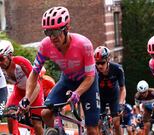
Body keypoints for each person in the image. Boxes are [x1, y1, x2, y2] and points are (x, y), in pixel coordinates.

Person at [23, 6, 100, 134]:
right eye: (48, 33)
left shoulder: (84, 44)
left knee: (92, 128)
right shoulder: (45, 45)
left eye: (56, 31)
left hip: (87, 82)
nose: (53, 37)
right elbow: (35, 72)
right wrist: (26, 98)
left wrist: (78, 93)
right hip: (67, 80)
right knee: (46, 113)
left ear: (67, 29)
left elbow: (90, 76)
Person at [0, 40, 44, 135]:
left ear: (9, 55)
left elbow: (35, 85)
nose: (0, 63)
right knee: (10, 115)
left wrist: (28, 103)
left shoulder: (20, 62)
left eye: (1, 59)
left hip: (34, 89)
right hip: (19, 91)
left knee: (36, 123)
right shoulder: (0, 68)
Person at [94, 46, 126, 135]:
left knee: (116, 122)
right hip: (100, 97)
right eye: (97, 63)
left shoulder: (117, 69)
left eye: (102, 63)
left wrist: (121, 104)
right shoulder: (93, 70)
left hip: (114, 97)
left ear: (108, 60)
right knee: (97, 123)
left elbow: (122, 89)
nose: (99, 66)